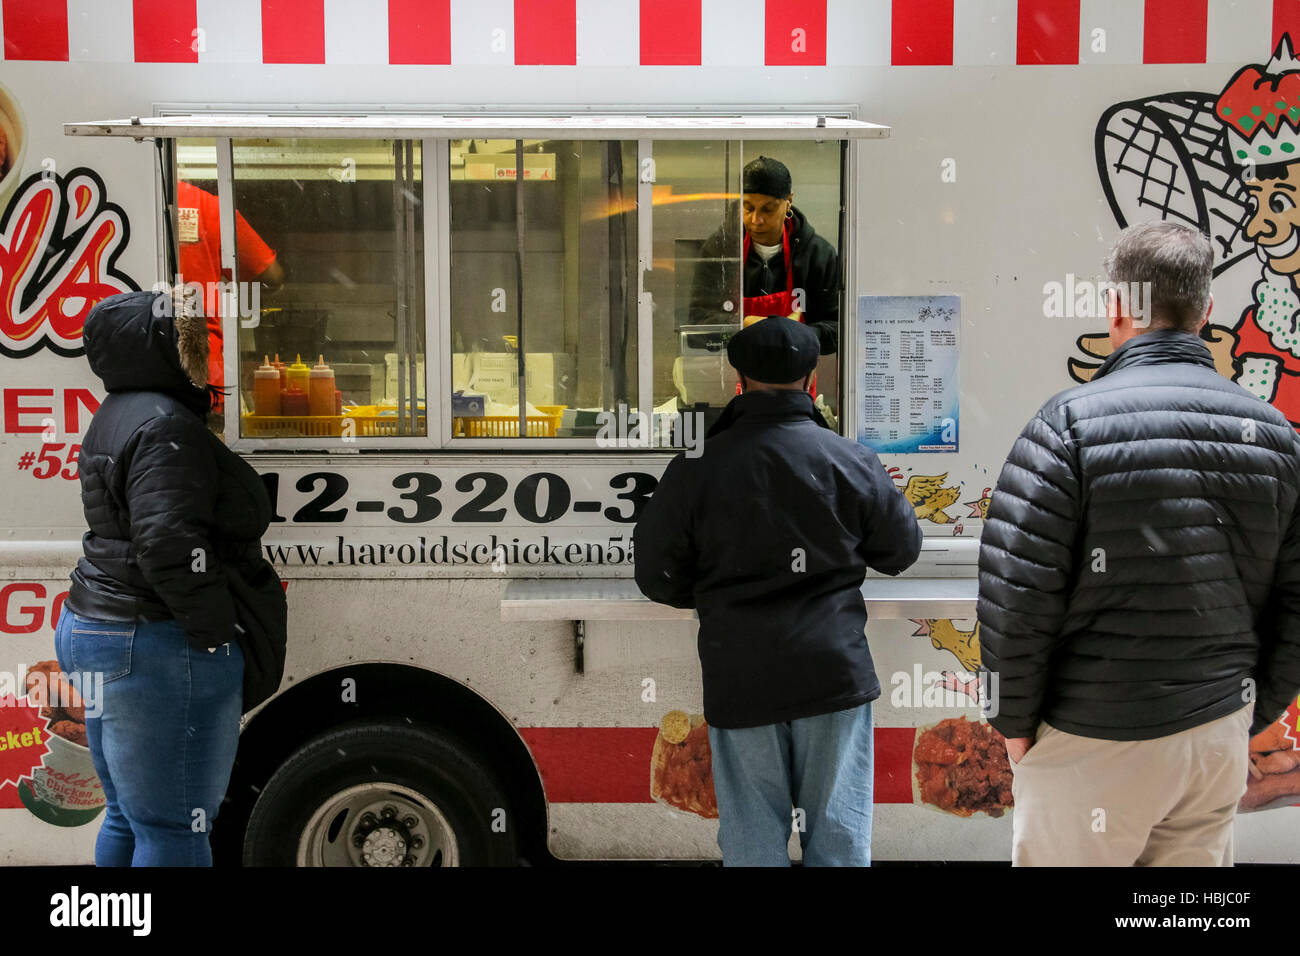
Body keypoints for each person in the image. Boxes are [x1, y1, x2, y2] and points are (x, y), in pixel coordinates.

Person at [978, 221, 1300, 866]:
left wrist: (1012, 722)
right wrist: (1246, 713)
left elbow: (1018, 596)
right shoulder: (1273, 434)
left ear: (1117, 308)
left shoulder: (1066, 426)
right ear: (1206, 312)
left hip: (1091, 735)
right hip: (1213, 736)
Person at [633, 317, 922, 866]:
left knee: (752, 844)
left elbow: (657, 576)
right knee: (838, 840)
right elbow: (900, 552)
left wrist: (717, 594)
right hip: (832, 673)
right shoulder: (850, 460)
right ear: (811, 379)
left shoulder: (698, 466)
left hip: (741, 674)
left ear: (738, 380)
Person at [57, 287, 283, 866]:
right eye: (191, 343)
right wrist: (211, 632)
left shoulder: (118, 412)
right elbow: (167, 544)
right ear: (163, 351)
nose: (203, 354)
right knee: (174, 829)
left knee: (131, 818)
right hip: (154, 641)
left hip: (100, 627)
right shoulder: (166, 425)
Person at [688, 156, 842, 355]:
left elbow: (839, 330)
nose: (756, 220)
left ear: (789, 202)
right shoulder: (720, 250)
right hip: (730, 377)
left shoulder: (818, 255)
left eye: (768, 209)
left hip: (795, 380)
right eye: (748, 207)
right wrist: (740, 325)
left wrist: (798, 333)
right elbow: (695, 326)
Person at [175, 180, 285, 410]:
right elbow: (272, 276)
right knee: (204, 441)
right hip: (201, 364)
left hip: (143, 362)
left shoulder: (132, 202)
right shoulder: (209, 207)